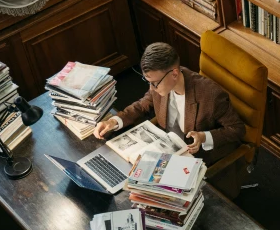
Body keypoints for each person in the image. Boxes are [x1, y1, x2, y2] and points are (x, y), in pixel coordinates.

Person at [94, 43, 245, 166]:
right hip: (167, 147)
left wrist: (204, 137)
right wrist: (113, 121)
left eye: (154, 83)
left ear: (174, 74)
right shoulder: (159, 84)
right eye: (148, 82)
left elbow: (237, 129)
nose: (152, 88)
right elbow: (143, 104)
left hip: (196, 157)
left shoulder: (211, 95)